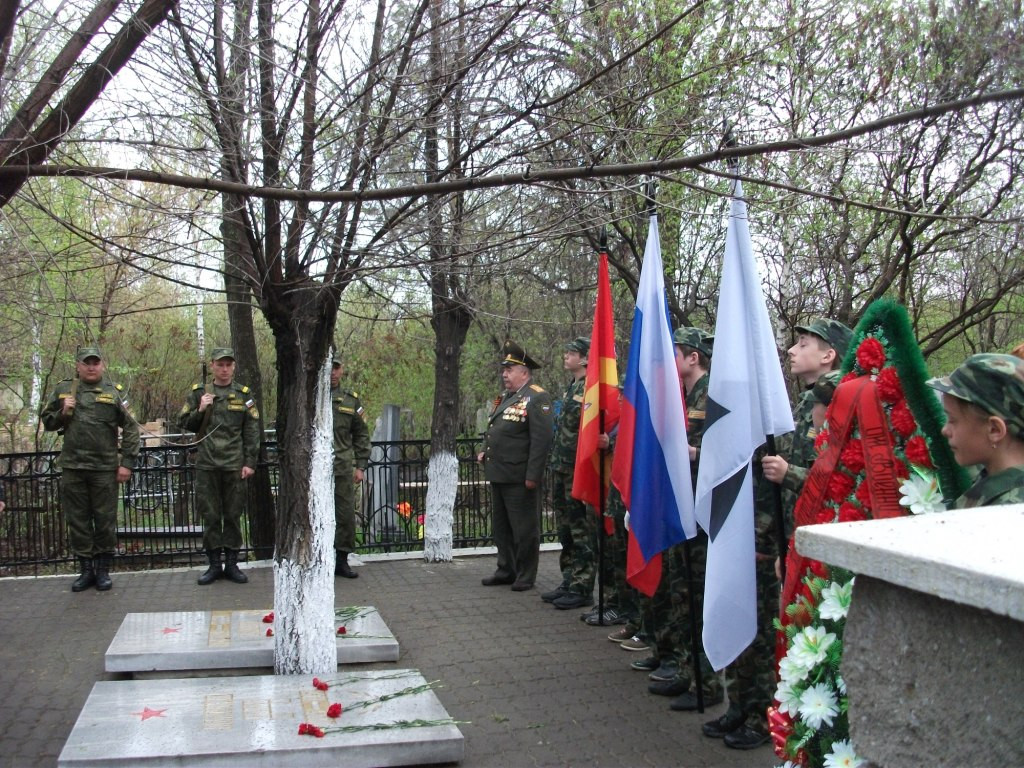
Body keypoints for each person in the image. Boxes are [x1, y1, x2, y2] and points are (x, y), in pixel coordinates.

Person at [709, 318, 850, 750]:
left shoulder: (843, 402)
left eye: (803, 343)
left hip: (820, 546)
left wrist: (790, 474)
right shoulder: (806, 402)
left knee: (789, 636)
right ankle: (745, 707)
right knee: (762, 625)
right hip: (786, 539)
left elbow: (842, 480)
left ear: (828, 354)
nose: (791, 350)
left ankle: (771, 719)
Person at [40, 346, 140, 592]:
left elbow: (132, 427)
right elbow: (47, 422)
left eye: (95, 362)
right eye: (87, 363)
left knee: (105, 520)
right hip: (73, 467)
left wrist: (127, 463)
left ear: (102, 365)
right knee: (78, 521)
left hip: (105, 468)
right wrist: (63, 412)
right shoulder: (64, 390)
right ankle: (86, 570)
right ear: (78, 365)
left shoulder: (114, 393)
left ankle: (103, 571)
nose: (92, 367)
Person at [178, 347, 260, 585]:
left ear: (233, 367)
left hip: (234, 465)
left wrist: (250, 462)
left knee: (233, 515)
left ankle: (232, 564)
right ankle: (214, 565)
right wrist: (200, 409)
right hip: (207, 465)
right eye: (220, 364)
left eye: (228, 365)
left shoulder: (243, 394)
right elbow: (183, 421)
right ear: (212, 366)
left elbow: (252, 430)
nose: (224, 369)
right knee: (211, 516)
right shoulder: (199, 392)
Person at [477, 340, 554, 591]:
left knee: (524, 529)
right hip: (499, 473)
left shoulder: (537, 397)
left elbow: (541, 441)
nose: (504, 374)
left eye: (509, 370)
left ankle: (525, 574)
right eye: (504, 369)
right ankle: (505, 568)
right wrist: (485, 453)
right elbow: (498, 431)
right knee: (502, 528)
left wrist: (533, 475)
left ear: (524, 372)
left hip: (520, 476)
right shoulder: (505, 398)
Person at [929, 353, 1024, 507]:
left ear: (994, 430)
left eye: (953, 420)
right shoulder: (997, 483)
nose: (945, 430)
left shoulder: (1008, 511)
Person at [543, 336, 594, 610]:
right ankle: (568, 578)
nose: (566, 356)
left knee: (579, 529)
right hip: (562, 466)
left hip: (578, 469)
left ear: (585, 358)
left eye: (571, 353)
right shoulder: (571, 387)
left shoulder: (591, 388)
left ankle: (582, 585)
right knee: (564, 529)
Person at [330, 357, 371, 578]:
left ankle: (341, 559)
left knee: (344, 515)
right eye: (329, 368)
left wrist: (361, 466)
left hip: (342, 468)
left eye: (336, 368)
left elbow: (362, 434)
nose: (332, 373)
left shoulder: (350, 400)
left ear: (342, 370)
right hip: (314, 471)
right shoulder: (309, 398)